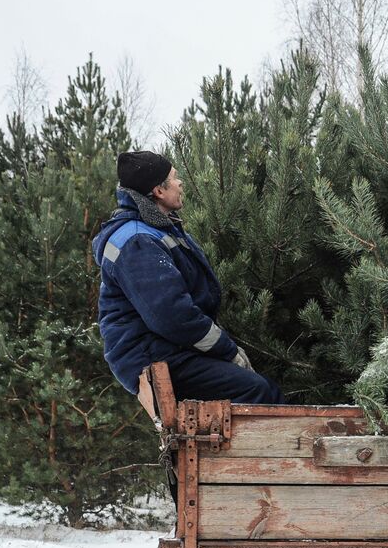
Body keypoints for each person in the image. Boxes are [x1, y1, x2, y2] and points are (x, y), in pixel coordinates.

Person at [95, 150, 284, 404]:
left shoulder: (157, 229)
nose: (180, 182)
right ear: (158, 191)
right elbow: (173, 317)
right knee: (258, 391)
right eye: (174, 177)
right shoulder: (139, 241)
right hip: (150, 356)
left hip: (166, 348)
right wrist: (228, 352)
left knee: (257, 385)